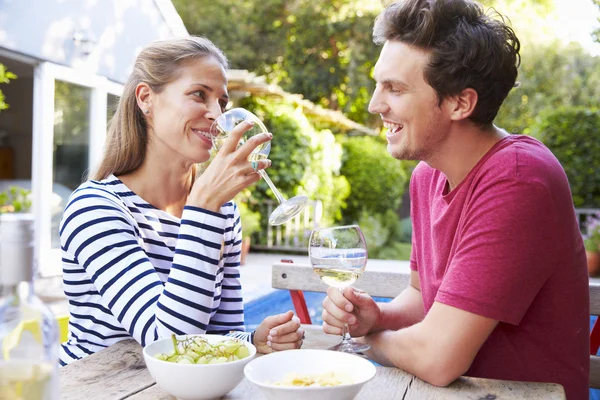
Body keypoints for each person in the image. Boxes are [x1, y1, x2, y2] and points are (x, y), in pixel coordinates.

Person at [321, 0, 589, 398]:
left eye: (394, 88)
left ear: (460, 103)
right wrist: (377, 316)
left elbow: (437, 359)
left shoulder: (518, 180)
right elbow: (420, 296)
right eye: (378, 84)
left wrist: (364, 343)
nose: (375, 105)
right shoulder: (427, 176)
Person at [59, 36, 304, 365]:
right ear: (147, 98)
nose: (217, 117)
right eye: (199, 95)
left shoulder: (223, 212)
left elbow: (218, 334)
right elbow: (168, 342)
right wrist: (202, 209)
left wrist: (254, 340)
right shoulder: (95, 209)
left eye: (223, 103)